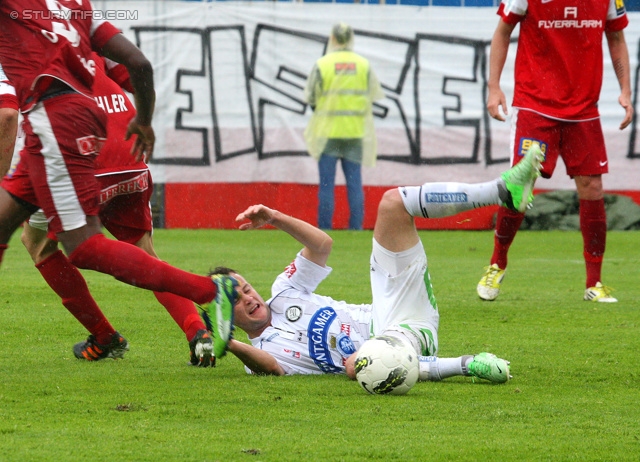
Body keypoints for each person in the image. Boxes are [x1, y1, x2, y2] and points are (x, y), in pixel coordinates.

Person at [0, 1, 235, 361]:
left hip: (58, 127)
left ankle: (209, 290)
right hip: (115, 136)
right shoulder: (74, 8)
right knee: (135, 248)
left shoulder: (16, 22)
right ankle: (194, 328)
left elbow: (5, 117)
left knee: (76, 246)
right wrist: (143, 120)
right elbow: (137, 65)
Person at [202, 145, 544, 382]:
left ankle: (502, 190)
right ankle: (467, 365)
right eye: (236, 300)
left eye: (245, 288)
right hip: (393, 345)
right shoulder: (259, 353)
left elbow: (322, 245)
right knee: (361, 366)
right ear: (227, 316)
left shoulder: (285, 290)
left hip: (389, 306)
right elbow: (274, 370)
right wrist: (227, 342)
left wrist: (275, 216)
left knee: (393, 203)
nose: (248, 297)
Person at [477, 0, 633, 303]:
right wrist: (493, 87)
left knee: (593, 188)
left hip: (584, 111)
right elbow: (502, 31)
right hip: (535, 107)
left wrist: (626, 90)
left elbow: (616, 37)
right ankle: (497, 263)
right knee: (521, 185)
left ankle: (594, 283)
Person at [303, 22, 385, 230]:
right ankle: (355, 228)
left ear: (333, 38)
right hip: (354, 132)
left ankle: (324, 229)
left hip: (328, 132)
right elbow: (373, 94)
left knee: (327, 185)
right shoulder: (363, 65)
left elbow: (311, 96)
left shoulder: (323, 64)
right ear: (350, 38)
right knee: (354, 184)